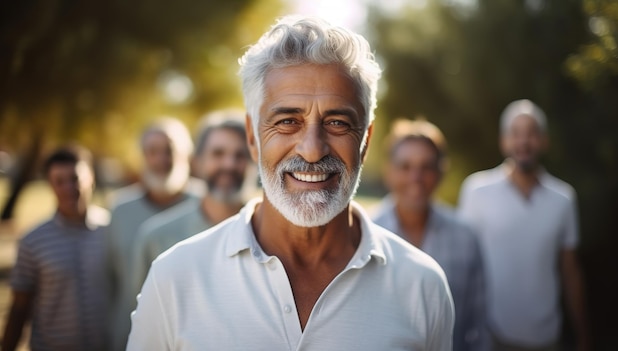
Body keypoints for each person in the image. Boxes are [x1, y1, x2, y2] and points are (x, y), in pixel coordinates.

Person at [127, 15, 454, 350]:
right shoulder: (176, 277)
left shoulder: (422, 286)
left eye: (338, 122)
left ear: (365, 141)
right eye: (287, 121)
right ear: (253, 137)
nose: (312, 150)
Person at [457, 99, 590, 351]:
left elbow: (571, 270)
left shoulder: (563, 199)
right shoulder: (476, 191)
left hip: (547, 338)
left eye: (531, 133)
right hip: (490, 337)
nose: (524, 142)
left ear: (544, 141)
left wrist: (583, 337)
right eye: (515, 133)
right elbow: (463, 265)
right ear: (504, 141)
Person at [372, 118, 488, 351]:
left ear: (440, 172)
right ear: (389, 172)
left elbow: (479, 323)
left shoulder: (466, 237)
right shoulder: (365, 235)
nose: (416, 177)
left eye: (426, 167)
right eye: (405, 167)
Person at [130, 109, 254, 294]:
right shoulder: (156, 239)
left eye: (240, 155)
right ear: (197, 162)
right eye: (218, 154)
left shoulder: (276, 236)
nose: (229, 164)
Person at [1, 144, 110, 351]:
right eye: (59, 181)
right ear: (50, 185)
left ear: (91, 178)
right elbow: (19, 308)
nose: (69, 188)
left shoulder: (112, 231)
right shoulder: (33, 241)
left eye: (75, 179)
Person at [106, 117, 202, 351]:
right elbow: (111, 278)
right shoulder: (120, 210)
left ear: (187, 155)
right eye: (153, 151)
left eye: (169, 150)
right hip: (129, 337)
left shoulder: (208, 204)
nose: (161, 159)